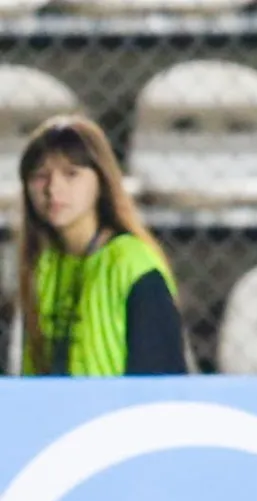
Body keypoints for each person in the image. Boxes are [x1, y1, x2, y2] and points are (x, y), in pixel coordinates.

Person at [16, 114, 188, 376]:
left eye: (71, 174)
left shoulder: (132, 264)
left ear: (101, 181)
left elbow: (163, 380)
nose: (53, 189)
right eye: (40, 176)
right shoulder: (41, 266)